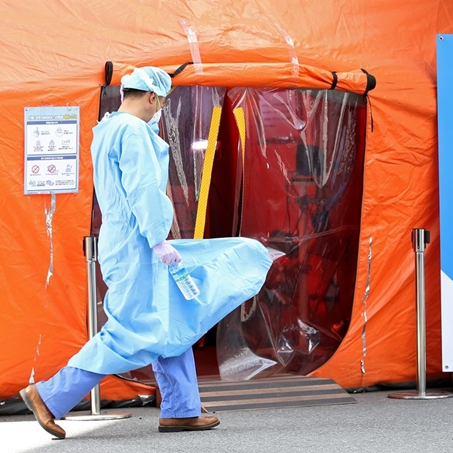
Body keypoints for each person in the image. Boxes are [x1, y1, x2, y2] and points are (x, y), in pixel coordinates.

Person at [20, 67, 272, 439]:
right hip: (139, 243)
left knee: (172, 319)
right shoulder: (134, 132)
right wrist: (157, 238)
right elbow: (143, 190)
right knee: (134, 330)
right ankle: (50, 394)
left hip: (126, 240)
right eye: (164, 101)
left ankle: (181, 409)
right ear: (154, 97)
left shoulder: (107, 130)